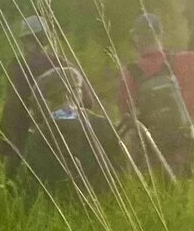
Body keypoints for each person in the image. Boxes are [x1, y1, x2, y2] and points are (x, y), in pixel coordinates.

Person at [118, 10, 194, 181]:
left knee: (153, 196)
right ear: (160, 35)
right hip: (183, 146)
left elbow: (126, 114)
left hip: (150, 151)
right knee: (182, 193)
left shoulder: (130, 74)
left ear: (136, 38)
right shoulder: (186, 62)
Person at [0, 16, 102, 192]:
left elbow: (13, 108)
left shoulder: (18, 66)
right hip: (73, 136)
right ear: (48, 39)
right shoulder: (64, 63)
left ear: (24, 42)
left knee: (13, 185)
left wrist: (4, 143)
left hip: (32, 136)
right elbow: (89, 103)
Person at [14, 67, 122, 198]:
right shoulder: (104, 125)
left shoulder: (39, 137)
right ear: (76, 94)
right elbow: (121, 168)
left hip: (60, 208)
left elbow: (28, 185)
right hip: (108, 202)